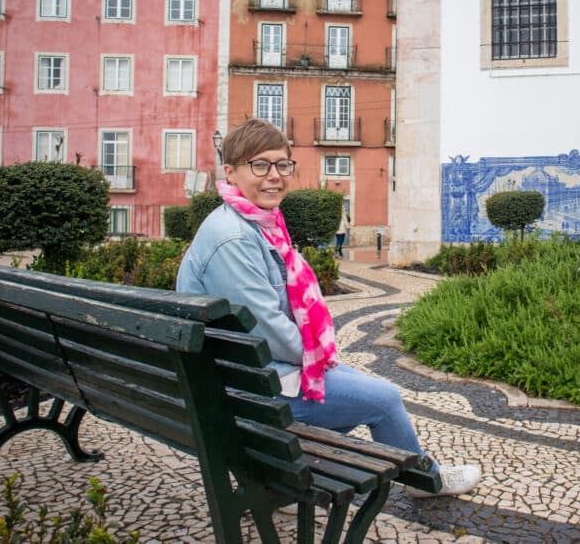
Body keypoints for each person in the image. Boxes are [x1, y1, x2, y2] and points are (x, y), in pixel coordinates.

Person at [176, 118, 481, 497]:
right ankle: (425, 481)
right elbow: (264, 330)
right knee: (383, 399)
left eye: (282, 165)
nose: (274, 176)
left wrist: (322, 357)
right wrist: (320, 356)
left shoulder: (251, 222)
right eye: (260, 165)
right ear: (231, 172)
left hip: (240, 382)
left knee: (354, 385)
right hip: (250, 396)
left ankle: (281, 480)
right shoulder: (234, 237)